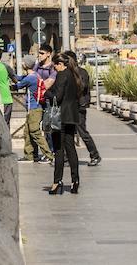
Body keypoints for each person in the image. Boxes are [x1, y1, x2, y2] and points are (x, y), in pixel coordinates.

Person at [47, 52, 82, 194]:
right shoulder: (74, 75)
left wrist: (46, 93)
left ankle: (57, 182)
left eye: (55, 66)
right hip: (71, 116)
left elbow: (58, 96)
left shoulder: (62, 75)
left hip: (60, 117)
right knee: (71, 148)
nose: (54, 69)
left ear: (60, 64)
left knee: (59, 150)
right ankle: (75, 180)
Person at [15, 64, 53, 163]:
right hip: (33, 108)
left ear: (25, 65)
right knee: (27, 132)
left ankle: (49, 155)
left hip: (34, 109)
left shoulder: (30, 78)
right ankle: (29, 155)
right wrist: (10, 74)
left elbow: (17, 86)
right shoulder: (35, 75)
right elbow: (20, 77)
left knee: (35, 132)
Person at [69, 52, 101, 166]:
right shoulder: (70, 72)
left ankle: (95, 155)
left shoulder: (81, 72)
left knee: (82, 132)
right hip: (71, 107)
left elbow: (82, 87)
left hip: (79, 107)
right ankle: (67, 157)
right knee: (68, 133)